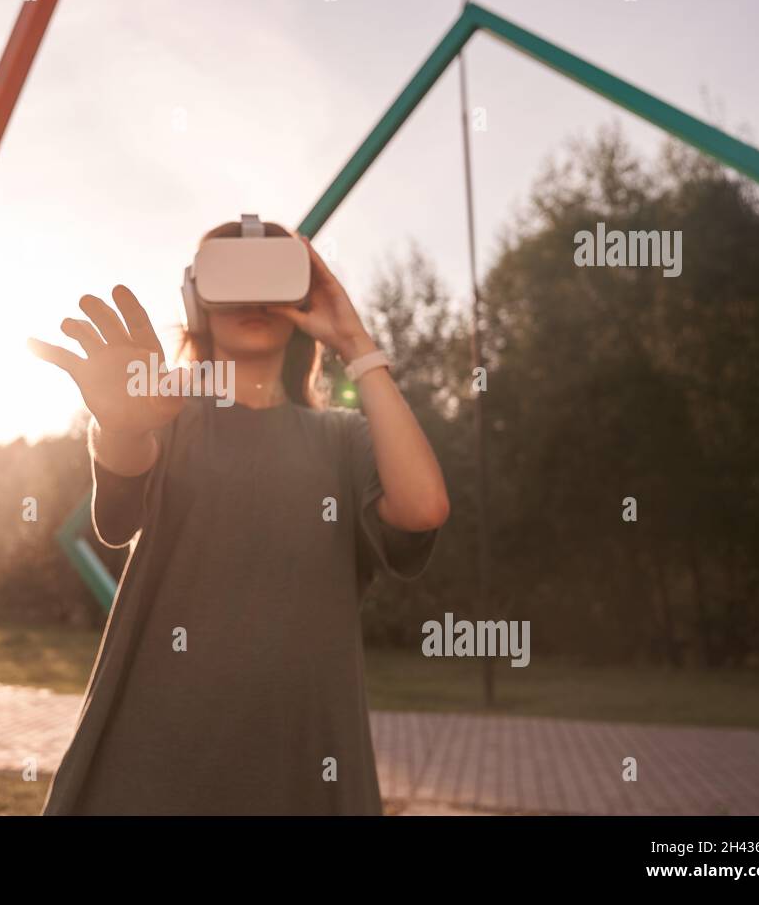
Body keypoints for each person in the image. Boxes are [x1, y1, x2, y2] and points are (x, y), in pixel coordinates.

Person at [27, 220, 449, 814]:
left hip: (304, 765)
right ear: (197, 299)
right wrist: (121, 427)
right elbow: (117, 513)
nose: (253, 298)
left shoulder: (344, 437)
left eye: (273, 278)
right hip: (153, 764)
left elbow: (423, 508)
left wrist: (356, 343)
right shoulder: (165, 414)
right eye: (230, 278)